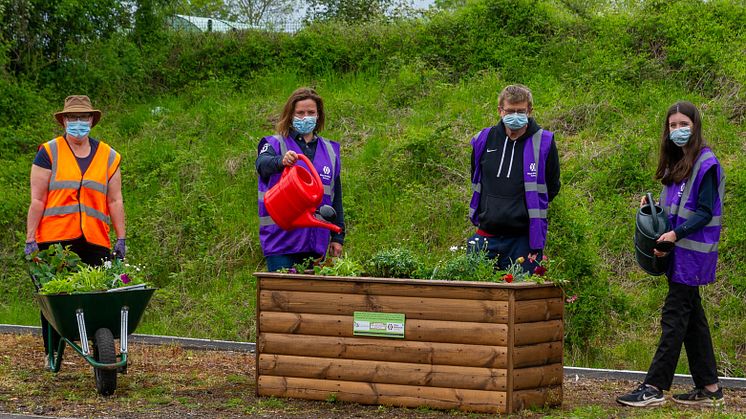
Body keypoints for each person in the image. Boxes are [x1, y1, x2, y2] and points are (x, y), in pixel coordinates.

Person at [617, 101, 725, 408]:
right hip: (677, 251)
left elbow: (704, 212)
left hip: (691, 254)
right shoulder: (677, 164)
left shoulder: (706, 163)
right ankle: (710, 386)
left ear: (695, 126)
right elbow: (675, 209)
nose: (677, 130)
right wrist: (651, 210)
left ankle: (653, 386)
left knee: (674, 318)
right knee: (693, 320)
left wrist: (674, 235)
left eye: (683, 124)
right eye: (672, 125)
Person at [24, 95, 127, 359]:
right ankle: (52, 351)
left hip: (95, 238)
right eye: (72, 118)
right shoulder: (49, 152)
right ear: (64, 121)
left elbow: (115, 200)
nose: (78, 123)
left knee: (100, 293)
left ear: (92, 120)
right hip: (55, 239)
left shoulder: (108, 156)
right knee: (56, 295)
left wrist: (121, 237)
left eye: (83, 118)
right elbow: (37, 199)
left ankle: (99, 345)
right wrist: (30, 238)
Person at [467, 84, 560, 272]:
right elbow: (476, 177)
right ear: (500, 110)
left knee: (521, 299)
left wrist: (520, 210)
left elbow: (552, 187)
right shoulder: (484, 139)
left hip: (524, 240)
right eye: (510, 110)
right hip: (486, 236)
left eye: (521, 111)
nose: (515, 116)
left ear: (529, 111)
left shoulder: (544, 142)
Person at [256, 87, 345, 272]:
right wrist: (280, 161)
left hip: (316, 243)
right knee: (282, 298)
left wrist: (338, 237)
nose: (306, 117)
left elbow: (336, 197)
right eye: (300, 113)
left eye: (311, 112)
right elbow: (262, 165)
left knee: (310, 300)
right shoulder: (274, 143)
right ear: (290, 115)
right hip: (281, 241)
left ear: (318, 115)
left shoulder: (330, 151)